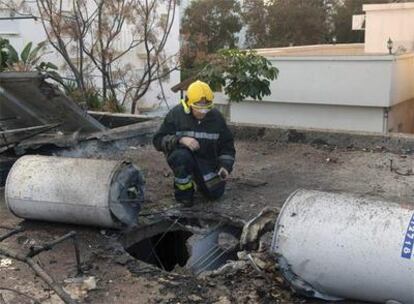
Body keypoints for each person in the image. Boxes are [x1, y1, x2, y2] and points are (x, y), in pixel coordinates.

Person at [153, 80, 235, 207]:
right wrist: (180, 139)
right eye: (199, 108)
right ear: (189, 104)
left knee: (215, 194)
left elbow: (227, 146)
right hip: (184, 159)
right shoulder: (176, 115)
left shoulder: (216, 118)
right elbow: (158, 140)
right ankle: (184, 194)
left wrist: (225, 166)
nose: (203, 112)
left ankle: (200, 184)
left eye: (206, 108)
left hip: (207, 163)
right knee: (181, 157)